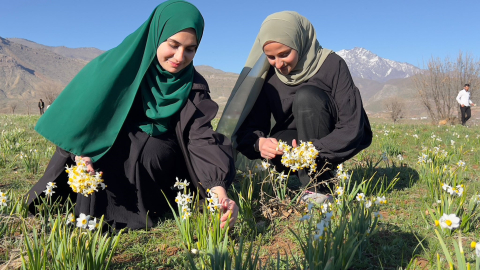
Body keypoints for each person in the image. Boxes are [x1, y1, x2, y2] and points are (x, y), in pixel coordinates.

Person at [27, 0, 238, 230]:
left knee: (149, 152)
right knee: (100, 155)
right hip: (110, 136)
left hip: (161, 152)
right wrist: (82, 154)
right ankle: (85, 215)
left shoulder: (192, 86)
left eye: (190, 49)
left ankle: (134, 214)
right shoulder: (120, 66)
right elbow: (88, 113)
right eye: (173, 44)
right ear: (156, 35)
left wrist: (217, 188)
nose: (179, 57)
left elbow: (200, 137)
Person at [217, 11, 372, 204]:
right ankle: (310, 180)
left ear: (300, 42)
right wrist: (260, 144)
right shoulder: (269, 77)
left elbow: (351, 126)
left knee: (307, 96)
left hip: (329, 140)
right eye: (271, 57)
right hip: (293, 145)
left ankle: (318, 187)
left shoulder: (332, 65)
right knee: (277, 142)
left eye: (284, 54)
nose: (279, 64)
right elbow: (249, 129)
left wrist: (312, 150)